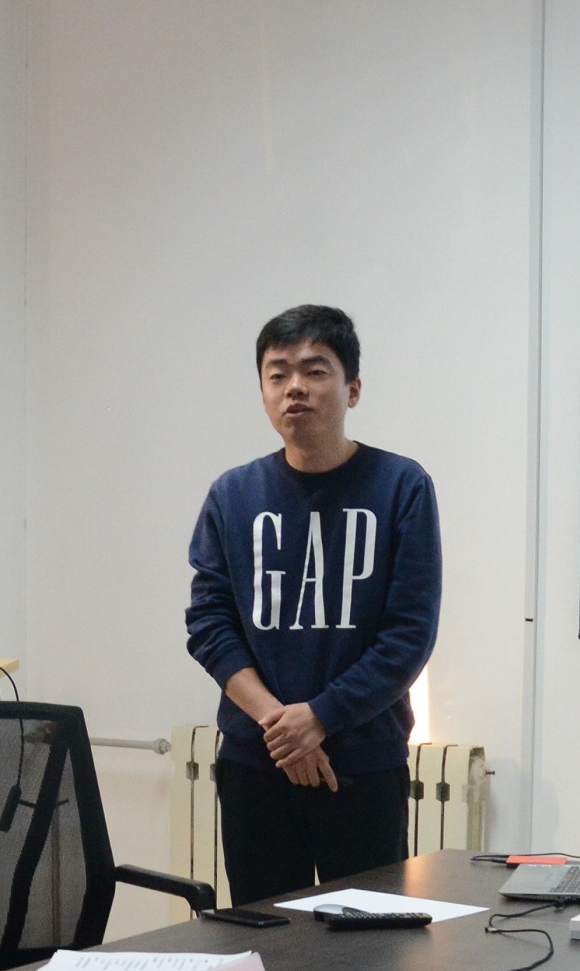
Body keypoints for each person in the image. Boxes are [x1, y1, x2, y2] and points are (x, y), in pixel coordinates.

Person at [184, 304, 441, 905]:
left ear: (353, 389)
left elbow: (409, 635)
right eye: (277, 374)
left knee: (368, 944)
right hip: (256, 764)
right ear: (263, 394)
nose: (294, 387)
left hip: (362, 763)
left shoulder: (402, 487)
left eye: (314, 370)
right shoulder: (233, 495)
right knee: (269, 941)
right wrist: (283, 726)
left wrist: (320, 717)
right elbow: (209, 624)